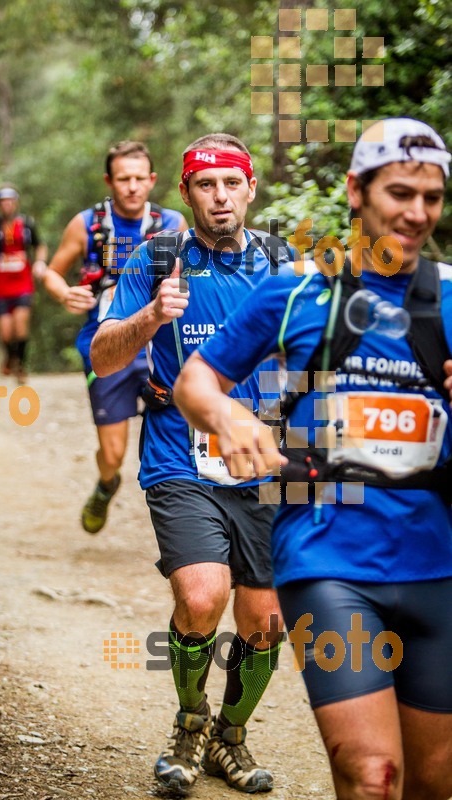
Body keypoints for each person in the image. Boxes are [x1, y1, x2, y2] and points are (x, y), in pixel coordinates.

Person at [173, 118, 452, 800]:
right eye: (398, 193)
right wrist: (229, 416)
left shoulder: (448, 295)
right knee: (370, 776)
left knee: (432, 782)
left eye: (432, 197)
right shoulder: (298, 290)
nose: (416, 213)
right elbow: (195, 382)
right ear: (356, 192)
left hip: (437, 562)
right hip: (327, 558)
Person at [91, 133, 295, 794]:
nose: (219, 197)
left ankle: (228, 738)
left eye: (231, 183)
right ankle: (189, 722)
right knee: (202, 596)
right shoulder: (155, 259)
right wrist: (151, 315)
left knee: (264, 623)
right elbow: (101, 357)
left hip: (262, 464)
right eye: (205, 185)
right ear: (184, 193)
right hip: (180, 456)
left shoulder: (282, 264)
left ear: (250, 187)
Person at [43, 141, 187, 534]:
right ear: (110, 180)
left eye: (140, 178)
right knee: (113, 453)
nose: (132, 187)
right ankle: (107, 484)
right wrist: (64, 293)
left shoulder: (173, 223)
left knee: (181, 436)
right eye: (124, 179)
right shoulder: (87, 224)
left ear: (153, 180)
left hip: (160, 347)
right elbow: (50, 271)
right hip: (104, 345)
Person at [0, 185, 47, 383]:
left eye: (10, 201)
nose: (7, 205)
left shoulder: (26, 224)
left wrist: (40, 262)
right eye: (3, 202)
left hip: (23, 282)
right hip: (1, 285)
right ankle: (10, 357)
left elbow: (39, 246)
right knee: (6, 331)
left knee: (20, 324)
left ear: (15, 203)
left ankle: (21, 366)